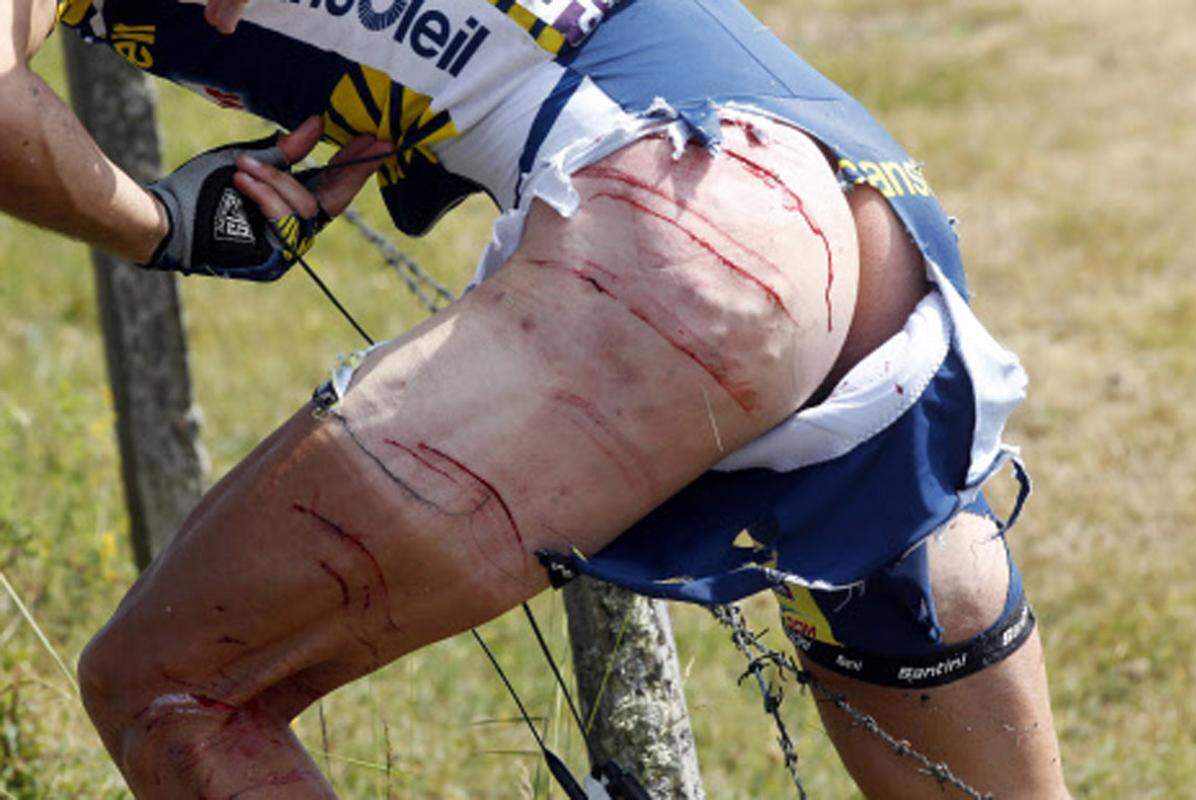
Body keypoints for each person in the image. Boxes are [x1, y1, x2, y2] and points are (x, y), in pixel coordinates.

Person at [0, 0, 1070, 795]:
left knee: (174, 686)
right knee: (900, 562)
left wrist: (154, 223)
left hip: (680, 218)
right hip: (842, 190)